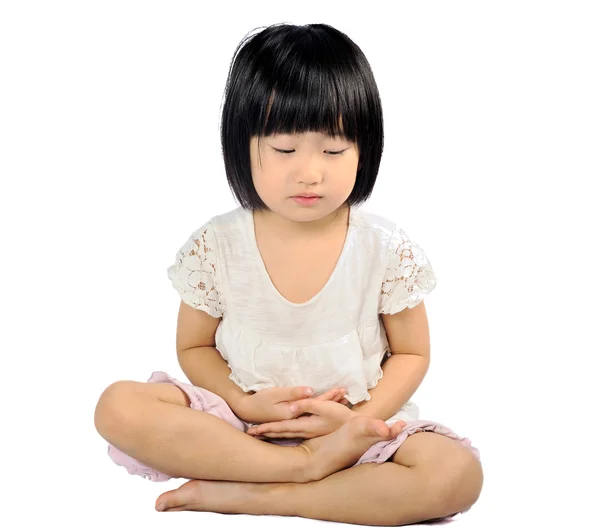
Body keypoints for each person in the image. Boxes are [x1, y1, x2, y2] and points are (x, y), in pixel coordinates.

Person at [94, 22, 483, 526]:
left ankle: (264, 493)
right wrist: (242, 403)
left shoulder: (385, 248)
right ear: (243, 145)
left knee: (455, 475)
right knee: (118, 406)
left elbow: (411, 353)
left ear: (366, 149)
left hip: (354, 426)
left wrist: (359, 420)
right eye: (284, 149)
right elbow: (195, 347)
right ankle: (294, 469)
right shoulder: (217, 245)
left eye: (334, 150)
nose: (310, 172)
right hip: (238, 427)